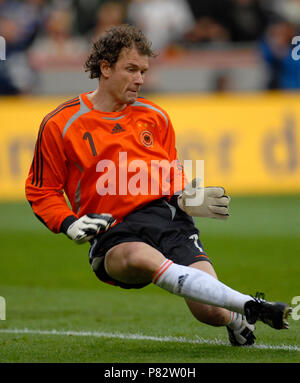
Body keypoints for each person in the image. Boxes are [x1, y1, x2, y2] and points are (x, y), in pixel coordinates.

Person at [25, 24, 290, 346]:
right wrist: (69, 223)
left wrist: (185, 198)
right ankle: (251, 305)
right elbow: (42, 190)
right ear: (105, 68)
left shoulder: (155, 117)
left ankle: (234, 316)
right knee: (139, 257)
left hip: (167, 220)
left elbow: (170, 172)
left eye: (144, 71)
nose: (139, 79)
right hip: (114, 231)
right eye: (131, 69)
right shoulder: (61, 123)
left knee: (210, 312)